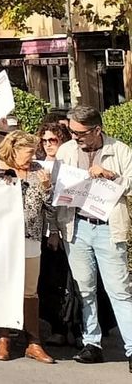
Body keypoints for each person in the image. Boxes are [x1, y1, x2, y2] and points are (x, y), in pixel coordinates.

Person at [54, 105, 132, 369]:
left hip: (108, 226)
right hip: (77, 225)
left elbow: (131, 183)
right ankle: (91, 342)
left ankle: (131, 347)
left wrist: (111, 175)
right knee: (84, 288)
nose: (75, 137)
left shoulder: (119, 150)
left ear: (97, 130)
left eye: (80, 133)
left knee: (119, 290)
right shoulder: (66, 151)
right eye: (71, 132)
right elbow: (57, 185)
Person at [0, 130, 55, 364]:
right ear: (13, 150)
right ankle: (3, 339)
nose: (32, 158)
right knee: (4, 286)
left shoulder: (39, 171)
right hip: (2, 238)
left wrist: (48, 189)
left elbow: (50, 209)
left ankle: (34, 342)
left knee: (30, 290)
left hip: (31, 237)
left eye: (33, 153)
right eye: (27, 154)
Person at [37, 121, 76, 346]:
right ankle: (56, 326)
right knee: (50, 283)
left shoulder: (67, 163)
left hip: (64, 227)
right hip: (43, 230)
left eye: (53, 140)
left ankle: (73, 328)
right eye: (44, 140)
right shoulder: (38, 165)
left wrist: (55, 231)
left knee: (68, 283)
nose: (48, 144)